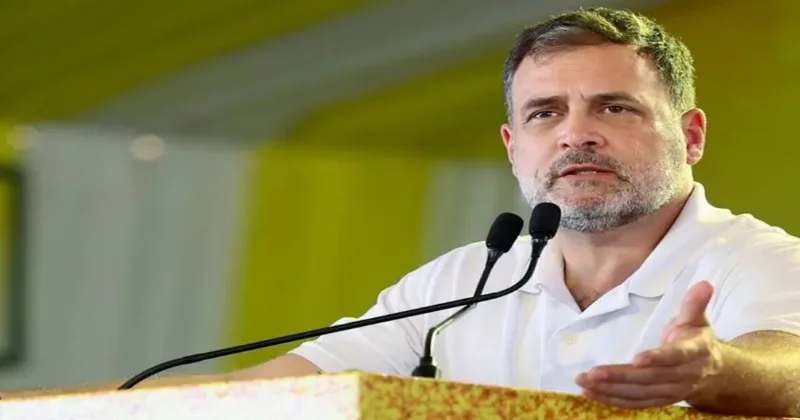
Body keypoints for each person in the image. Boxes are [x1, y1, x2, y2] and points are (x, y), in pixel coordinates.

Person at [4, 6, 800, 417]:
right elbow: (275, 390)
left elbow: (789, 369)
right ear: (513, 146)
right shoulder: (461, 282)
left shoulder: (754, 259)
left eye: (614, 107)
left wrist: (717, 371)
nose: (575, 134)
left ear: (691, 135)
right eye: (545, 113)